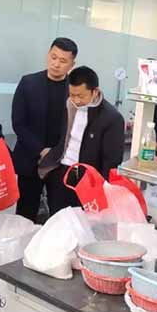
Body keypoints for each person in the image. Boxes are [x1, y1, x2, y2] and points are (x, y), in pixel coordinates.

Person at [38, 66, 125, 215]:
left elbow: (112, 161)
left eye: (81, 96)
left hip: (88, 180)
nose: (76, 100)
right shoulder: (69, 105)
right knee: (57, 220)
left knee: (83, 222)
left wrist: (102, 189)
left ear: (95, 91)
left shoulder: (111, 118)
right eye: (72, 94)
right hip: (62, 172)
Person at [12, 37, 78, 222]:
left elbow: (76, 127)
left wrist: (55, 153)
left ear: (72, 64)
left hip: (61, 162)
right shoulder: (28, 83)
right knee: (25, 214)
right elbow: (18, 123)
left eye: (63, 61)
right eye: (53, 57)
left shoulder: (74, 90)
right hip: (30, 159)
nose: (56, 64)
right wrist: (41, 150)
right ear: (48, 54)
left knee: (60, 214)